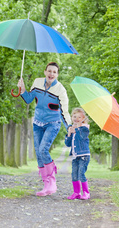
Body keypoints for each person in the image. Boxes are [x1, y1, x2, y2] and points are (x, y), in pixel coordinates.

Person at [17, 62, 71, 196]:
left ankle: (52, 181)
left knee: (43, 150)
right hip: (37, 123)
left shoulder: (60, 90)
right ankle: (46, 184)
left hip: (53, 123)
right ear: (45, 72)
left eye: (54, 72)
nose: (51, 74)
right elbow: (29, 99)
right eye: (49, 71)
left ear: (57, 74)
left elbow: (65, 112)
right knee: (38, 153)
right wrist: (23, 90)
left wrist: (69, 126)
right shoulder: (37, 82)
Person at [65, 107, 90, 200]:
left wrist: (77, 129)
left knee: (81, 173)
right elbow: (67, 144)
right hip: (75, 156)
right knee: (74, 174)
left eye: (79, 117)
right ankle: (76, 193)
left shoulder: (84, 128)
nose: (76, 119)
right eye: (75, 116)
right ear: (72, 117)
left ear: (83, 118)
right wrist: (69, 133)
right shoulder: (72, 128)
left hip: (84, 156)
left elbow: (82, 137)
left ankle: (86, 193)